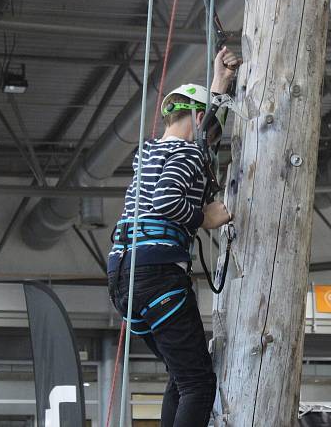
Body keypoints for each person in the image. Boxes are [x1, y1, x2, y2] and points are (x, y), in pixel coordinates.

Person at [107, 47, 241, 427]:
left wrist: (220, 82)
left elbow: (202, 132)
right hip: (158, 275)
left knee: (182, 377)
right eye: (208, 124)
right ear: (197, 118)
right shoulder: (186, 155)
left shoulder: (149, 153)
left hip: (123, 278)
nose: (211, 137)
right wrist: (204, 217)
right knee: (199, 383)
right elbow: (169, 199)